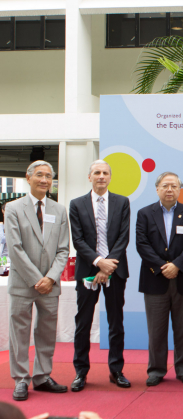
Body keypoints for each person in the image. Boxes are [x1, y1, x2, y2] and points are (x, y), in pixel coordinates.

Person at [5, 160, 70, 401]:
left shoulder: (59, 210)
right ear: (28, 177)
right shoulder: (13, 208)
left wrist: (50, 278)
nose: (44, 180)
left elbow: (63, 249)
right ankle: (21, 379)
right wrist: (36, 279)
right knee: (19, 333)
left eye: (49, 176)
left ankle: (42, 376)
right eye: (40, 175)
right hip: (24, 283)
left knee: (46, 332)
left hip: (50, 286)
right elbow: (15, 248)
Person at [69, 160, 132, 392]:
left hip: (115, 270)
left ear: (110, 177)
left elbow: (123, 237)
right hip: (87, 270)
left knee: (116, 322)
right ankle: (80, 372)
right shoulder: (76, 204)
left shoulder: (122, 202)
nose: (101, 176)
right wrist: (98, 263)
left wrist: (108, 266)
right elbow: (78, 240)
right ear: (90, 177)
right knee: (83, 323)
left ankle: (116, 370)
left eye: (105, 173)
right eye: (97, 172)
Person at [136, 172, 183, 387]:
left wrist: (177, 265)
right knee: (156, 329)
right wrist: (162, 267)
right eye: (165, 186)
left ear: (179, 189)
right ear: (157, 189)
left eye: (174, 186)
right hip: (155, 278)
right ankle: (156, 370)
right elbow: (142, 244)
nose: (169, 189)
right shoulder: (144, 214)